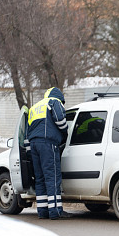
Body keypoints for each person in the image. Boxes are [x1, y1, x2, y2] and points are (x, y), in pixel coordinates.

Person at [27, 87, 69, 219]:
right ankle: (55, 211)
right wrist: (65, 132)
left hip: (34, 145)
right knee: (52, 177)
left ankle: (42, 211)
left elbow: (28, 130)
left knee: (40, 179)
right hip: (48, 143)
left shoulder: (35, 107)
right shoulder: (54, 102)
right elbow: (60, 119)